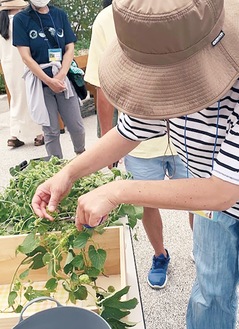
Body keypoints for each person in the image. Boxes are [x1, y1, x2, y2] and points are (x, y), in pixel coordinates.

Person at [32, 0, 239, 328]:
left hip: (221, 195)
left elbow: (224, 189)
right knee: (210, 293)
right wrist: (67, 172)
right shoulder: (172, 67)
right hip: (214, 212)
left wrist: (118, 190)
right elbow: (131, 129)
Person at [84, 0, 193, 289]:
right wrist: (107, 142)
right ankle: (160, 255)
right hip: (139, 142)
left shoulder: (185, 8)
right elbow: (104, 88)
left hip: (190, 133)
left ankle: (203, 249)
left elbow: (220, 192)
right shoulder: (107, 20)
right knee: (147, 202)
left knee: (200, 204)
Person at [12, 0, 85, 159]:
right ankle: (56, 166)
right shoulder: (21, 19)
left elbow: (69, 47)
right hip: (40, 82)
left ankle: (82, 158)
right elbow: (26, 57)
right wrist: (49, 81)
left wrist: (60, 76)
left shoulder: (59, 15)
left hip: (62, 78)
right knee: (51, 131)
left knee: (77, 126)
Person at [0, 0, 44, 148]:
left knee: (16, 98)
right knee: (32, 96)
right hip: (25, 63)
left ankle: (14, 134)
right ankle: (39, 133)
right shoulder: (22, 19)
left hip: (8, 65)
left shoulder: (2, 22)